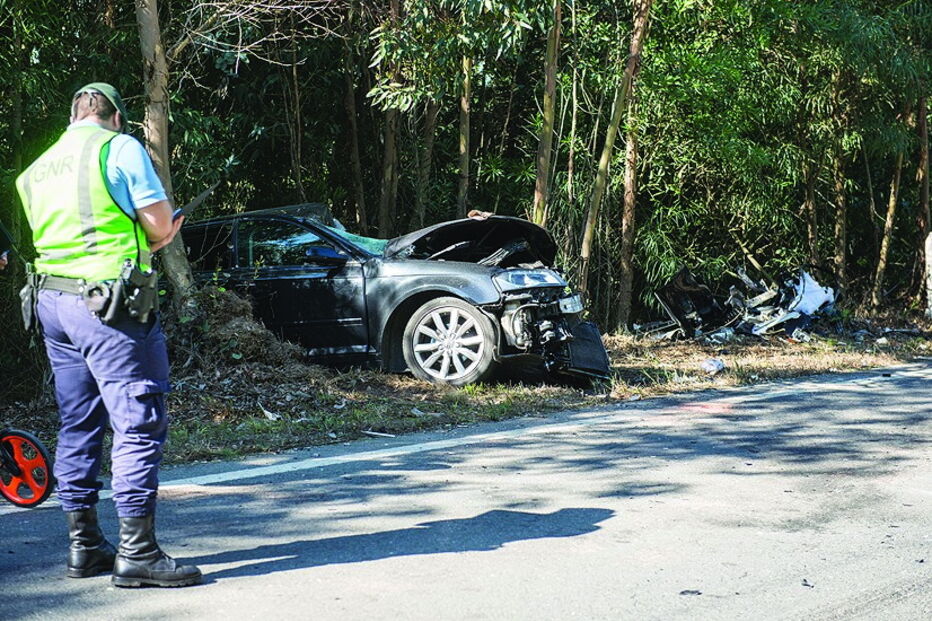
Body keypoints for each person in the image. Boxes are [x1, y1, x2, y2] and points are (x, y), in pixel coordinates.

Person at [15, 83, 200, 588]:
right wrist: (164, 233)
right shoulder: (119, 148)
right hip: (110, 308)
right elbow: (158, 225)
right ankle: (138, 552)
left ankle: (86, 547)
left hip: (52, 305)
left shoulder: (36, 170)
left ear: (73, 116)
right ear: (115, 117)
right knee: (138, 419)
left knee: (79, 421)